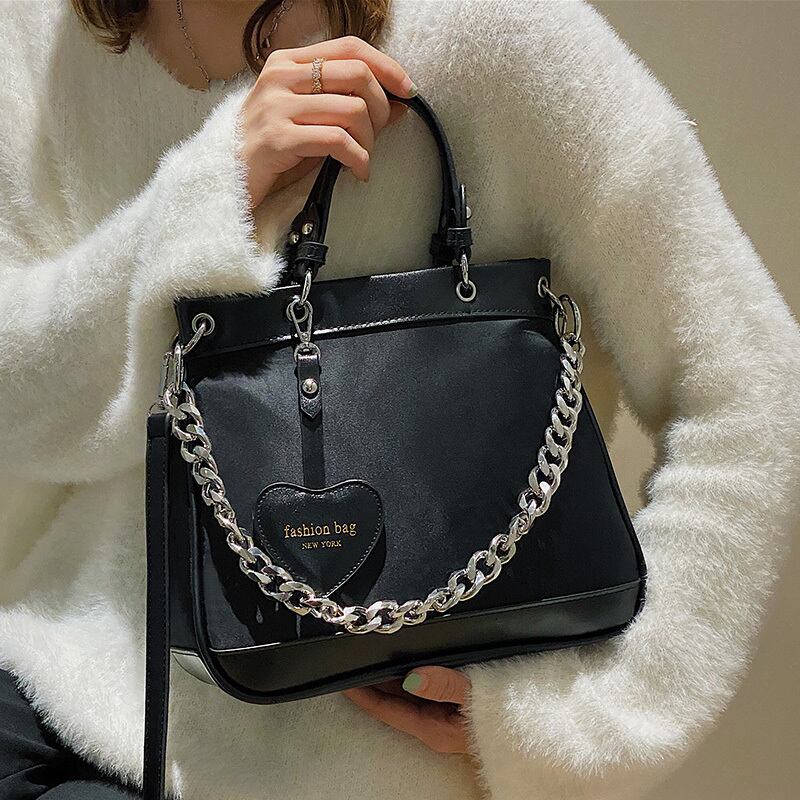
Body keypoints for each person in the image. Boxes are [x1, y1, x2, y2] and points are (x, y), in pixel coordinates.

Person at [0, 1, 797, 799]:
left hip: (336, 773)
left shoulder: (495, 31)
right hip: (59, 680)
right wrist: (204, 198)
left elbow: (749, 380)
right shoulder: (46, 34)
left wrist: (594, 724)